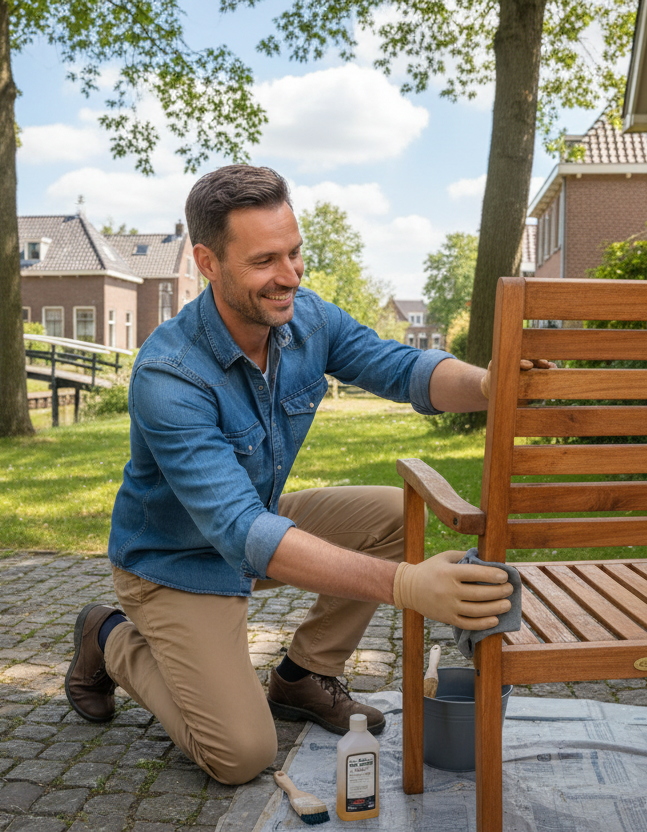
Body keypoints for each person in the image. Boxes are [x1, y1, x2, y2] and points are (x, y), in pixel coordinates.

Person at [64, 165, 530, 786]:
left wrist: (489, 385)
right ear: (207, 262)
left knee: (395, 516)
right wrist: (407, 586)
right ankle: (110, 635)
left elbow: (402, 368)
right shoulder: (169, 374)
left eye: (294, 252)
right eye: (264, 261)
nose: (289, 275)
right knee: (241, 754)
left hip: (252, 527)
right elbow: (240, 531)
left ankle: (303, 675)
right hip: (173, 563)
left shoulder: (304, 319)